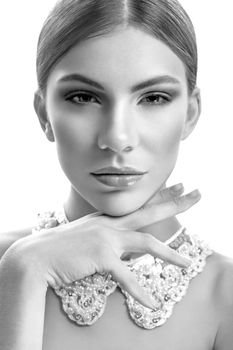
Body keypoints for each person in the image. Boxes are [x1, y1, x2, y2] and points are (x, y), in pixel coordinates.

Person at [0, 0, 232, 349]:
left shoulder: (225, 294)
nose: (117, 138)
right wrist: (24, 272)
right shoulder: (9, 264)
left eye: (153, 98)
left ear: (190, 113)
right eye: (83, 97)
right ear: (44, 113)